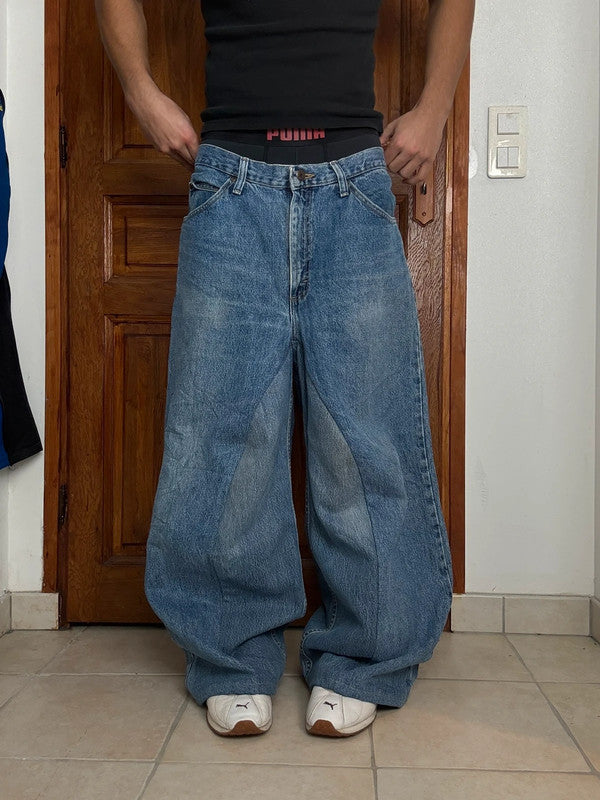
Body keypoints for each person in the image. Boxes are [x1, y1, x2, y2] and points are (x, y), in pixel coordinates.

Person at [95, 0, 475, 738]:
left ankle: (364, 660)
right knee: (223, 436)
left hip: (354, 183)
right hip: (230, 182)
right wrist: (142, 94)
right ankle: (231, 661)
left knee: (368, 440)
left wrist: (434, 111)